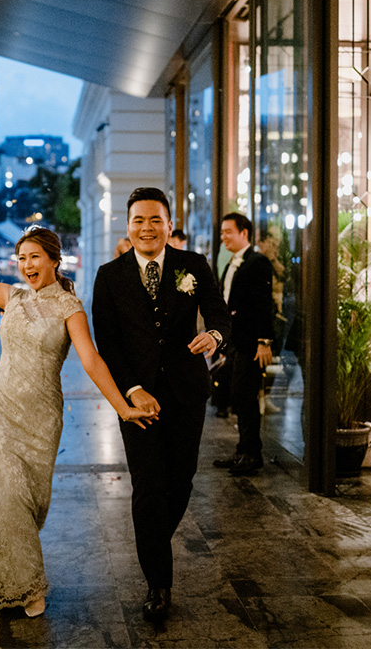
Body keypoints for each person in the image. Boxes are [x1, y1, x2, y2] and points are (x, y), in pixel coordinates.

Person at [0, 225, 154, 617]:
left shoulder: (69, 308)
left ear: (54, 261)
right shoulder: (12, 296)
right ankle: (28, 586)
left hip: (41, 415)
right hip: (1, 405)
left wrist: (122, 406)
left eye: (34, 257)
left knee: (24, 498)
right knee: (2, 489)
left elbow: (92, 361)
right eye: (22, 257)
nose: (26, 264)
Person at [92, 187, 231, 622]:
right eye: (138, 220)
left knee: (181, 481)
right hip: (137, 402)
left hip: (187, 392)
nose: (147, 228)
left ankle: (151, 541)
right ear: (127, 225)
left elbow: (220, 313)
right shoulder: (109, 275)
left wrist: (215, 336)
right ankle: (159, 583)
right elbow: (108, 343)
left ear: (169, 225)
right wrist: (132, 389)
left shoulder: (193, 266)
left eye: (156, 220)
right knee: (148, 487)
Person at [211, 213, 276, 476]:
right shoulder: (232, 263)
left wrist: (264, 341)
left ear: (244, 233)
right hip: (236, 342)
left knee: (246, 397)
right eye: (222, 233)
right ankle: (243, 450)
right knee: (238, 395)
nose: (224, 237)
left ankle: (252, 454)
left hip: (251, 343)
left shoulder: (257, 262)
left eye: (228, 232)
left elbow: (264, 304)